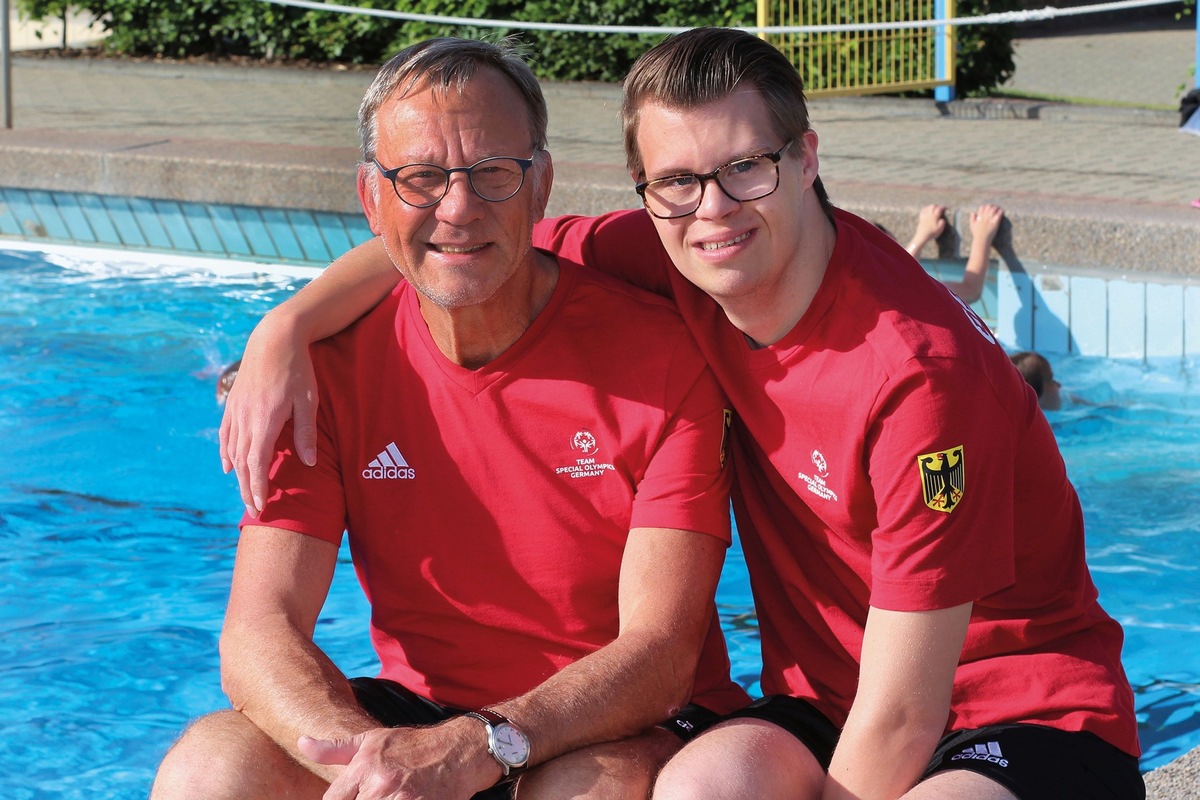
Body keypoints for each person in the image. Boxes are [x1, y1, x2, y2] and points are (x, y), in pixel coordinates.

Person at [221, 28, 1144, 800]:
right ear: (647, 191)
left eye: (746, 168)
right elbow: (454, 240)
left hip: (1015, 708)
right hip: (824, 699)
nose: (713, 210)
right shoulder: (679, 257)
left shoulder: (916, 379)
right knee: (705, 787)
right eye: (678, 182)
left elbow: (903, 717)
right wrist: (284, 329)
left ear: (807, 155)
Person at [155, 37, 751, 800]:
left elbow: (661, 654)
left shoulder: (661, 359)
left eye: (492, 175)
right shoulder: (320, 372)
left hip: (610, 725)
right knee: (211, 766)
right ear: (372, 198)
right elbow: (258, 630)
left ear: (540, 187)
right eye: (422, 179)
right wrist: (381, 767)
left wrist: (477, 748)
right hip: (416, 718)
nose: (459, 209)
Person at [904, 202, 1005, 304]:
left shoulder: (896, 295)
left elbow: (898, 271)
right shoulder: (920, 295)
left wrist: (921, 237)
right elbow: (970, 289)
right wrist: (982, 237)